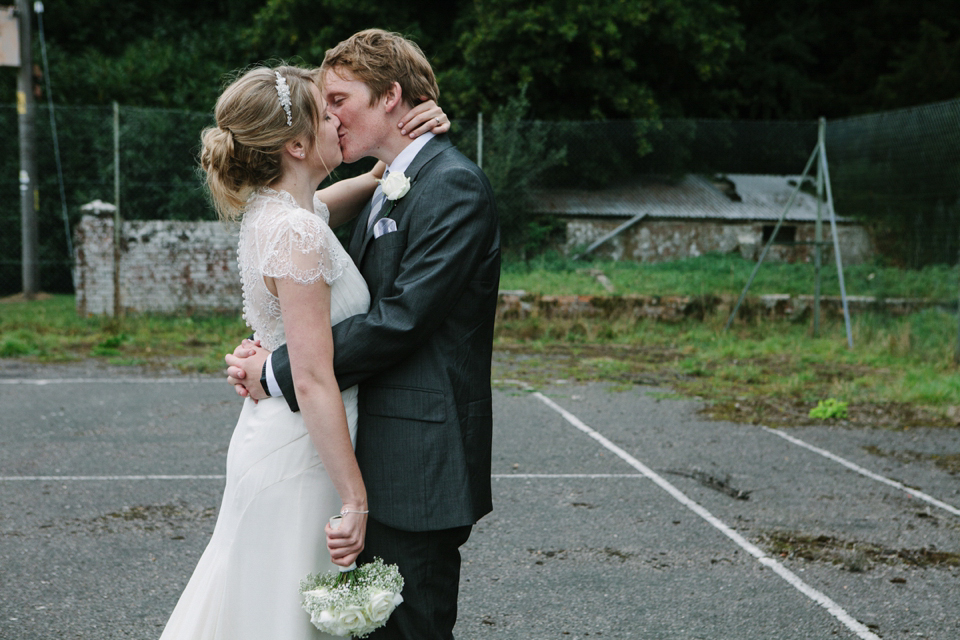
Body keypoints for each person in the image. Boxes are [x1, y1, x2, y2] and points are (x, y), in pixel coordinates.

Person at [226, 29, 501, 640]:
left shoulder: (449, 185)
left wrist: (277, 369)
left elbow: (400, 319)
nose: (329, 114)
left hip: (415, 462)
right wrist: (385, 164)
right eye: (322, 106)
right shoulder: (381, 185)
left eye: (339, 99)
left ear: (390, 97)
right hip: (357, 450)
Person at [159, 64, 450, 640]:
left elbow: (336, 201)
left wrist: (398, 158)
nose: (338, 118)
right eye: (325, 112)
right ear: (296, 143)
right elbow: (315, 379)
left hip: (274, 433)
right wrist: (355, 499)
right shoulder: (296, 231)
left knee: (257, 603)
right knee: (279, 615)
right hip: (301, 454)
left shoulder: (279, 211)